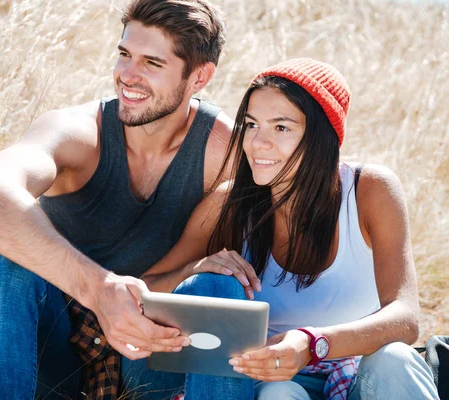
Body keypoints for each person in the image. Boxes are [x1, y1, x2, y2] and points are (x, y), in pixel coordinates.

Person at [0, 1, 246, 399]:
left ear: (199, 77)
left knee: (225, 291)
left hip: (151, 351)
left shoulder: (225, 152)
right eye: (125, 54)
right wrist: (101, 291)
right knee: (4, 257)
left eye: (152, 63)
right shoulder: (78, 132)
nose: (127, 75)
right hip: (56, 347)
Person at [124, 58, 439, 399]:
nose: (258, 142)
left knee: (394, 359)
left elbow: (406, 320)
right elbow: (145, 290)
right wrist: (194, 270)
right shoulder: (228, 205)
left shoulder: (369, 190)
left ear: (322, 138)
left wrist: (311, 343)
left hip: (357, 378)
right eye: (251, 124)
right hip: (268, 384)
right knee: (279, 393)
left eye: (281, 128)